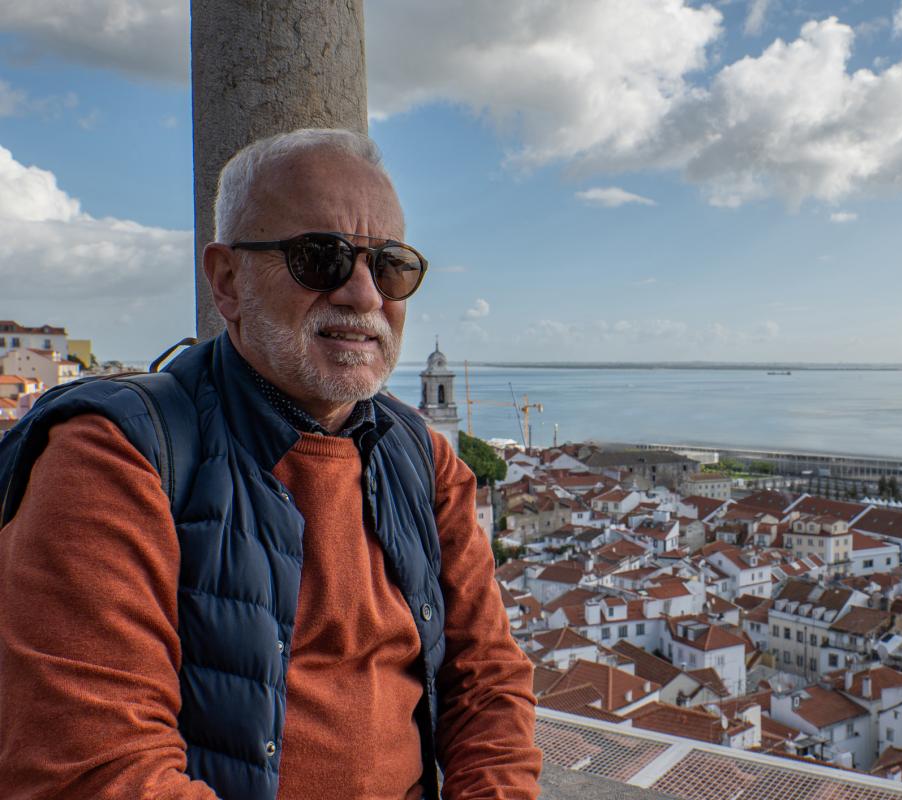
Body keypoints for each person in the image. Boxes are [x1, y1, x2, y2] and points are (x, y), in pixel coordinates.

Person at [0, 129, 542, 800]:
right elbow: (96, 770)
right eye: (322, 258)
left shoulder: (425, 459)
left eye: (391, 266)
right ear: (227, 280)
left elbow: (488, 680)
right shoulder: (114, 456)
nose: (364, 295)